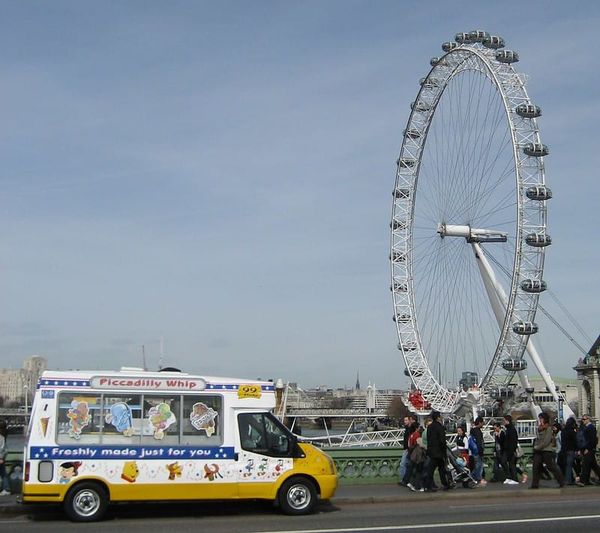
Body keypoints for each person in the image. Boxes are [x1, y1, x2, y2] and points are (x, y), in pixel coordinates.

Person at [530, 412, 565, 489]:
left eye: (541, 418)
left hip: (546, 450)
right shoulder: (539, 428)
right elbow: (538, 439)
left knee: (551, 466)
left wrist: (537, 447)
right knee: (536, 466)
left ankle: (561, 481)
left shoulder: (549, 428)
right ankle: (534, 484)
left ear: (545, 419)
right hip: (538, 451)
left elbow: (546, 441)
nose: (540, 420)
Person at [424, 410, 451, 492]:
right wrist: (444, 451)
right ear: (438, 417)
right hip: (439, 451)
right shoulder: (440, 427)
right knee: (441, 469)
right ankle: (444, 484)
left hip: (432, 451)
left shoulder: (430, 427)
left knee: (432, 469)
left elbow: (428, 439)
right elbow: (442, 440)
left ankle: (429, 485)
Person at [577, 414, 600, 486]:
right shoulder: (587, 427)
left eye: (584, 419)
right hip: (587, 449)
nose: (583, 421)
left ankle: (583, 481)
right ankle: (585, 481)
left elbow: (592, 440)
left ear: (588, 419)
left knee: (585, 465)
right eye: (582, 419)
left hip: (588, 449)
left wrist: (588, 448)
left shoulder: (591, 427)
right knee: (593, 466)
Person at [399, 415, 417, 485]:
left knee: (403, 464)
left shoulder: (411, 429)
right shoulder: (407, 429)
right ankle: (406, 480)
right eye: (404, 420)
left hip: (408, 449)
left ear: (410, 421)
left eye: (406, 420)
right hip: (407, 449)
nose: (405, 422)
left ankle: (404, 480)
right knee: (408, 465)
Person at [502, 414, 519, 484]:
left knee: (511, 464)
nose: (503, 422)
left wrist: (512, 450)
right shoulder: (508, 428)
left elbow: (513, 440)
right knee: (507, 463)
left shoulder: (511, 429)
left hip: (511, 450)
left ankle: (514, 479)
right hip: (508, 449)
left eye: (504, 420)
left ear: (507, 421)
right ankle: (510, 477)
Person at [561, 417, 578, 485]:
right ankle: (568, 480)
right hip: (571, 450)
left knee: (568, 465)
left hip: (564, 450)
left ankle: (570, 479)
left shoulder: (563, 431)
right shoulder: (572, 431)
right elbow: (575, 441)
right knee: (570, 465)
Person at [470, 417, 486, 486]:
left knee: (477, 465)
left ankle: (471, 477)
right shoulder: (478, 431)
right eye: (482, 422)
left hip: (473, 450)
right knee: (479, 466)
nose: (483, 424)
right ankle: (478, 479)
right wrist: (481, 451)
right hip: (478, 451)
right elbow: (479, 442)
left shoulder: (473, 431)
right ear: (479, 422)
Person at [0, 420, 10, 496]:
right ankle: (6, 489)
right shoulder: (2, 437)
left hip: (0, 458)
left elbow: (3, 449)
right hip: (1, 458)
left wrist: (1, 458)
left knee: (3, 474)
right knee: (3, 474)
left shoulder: (1, 437)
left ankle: (6, 489)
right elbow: (5, 449)